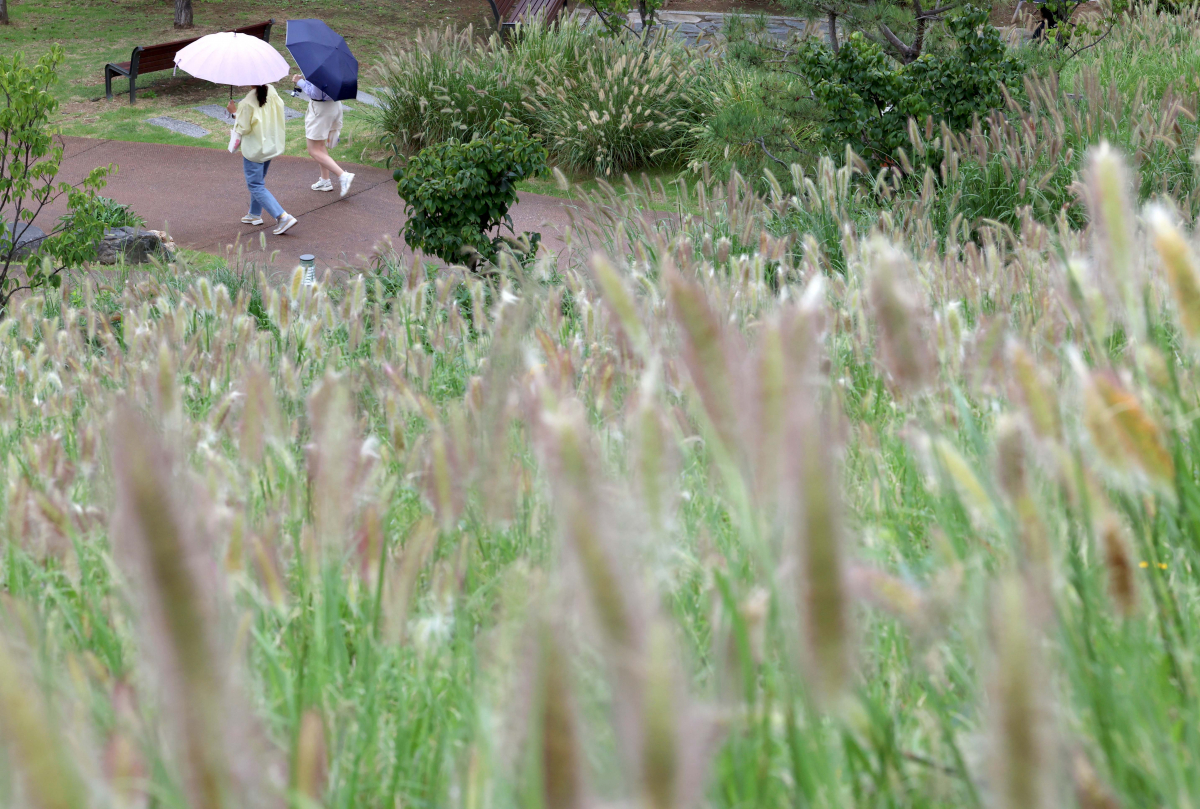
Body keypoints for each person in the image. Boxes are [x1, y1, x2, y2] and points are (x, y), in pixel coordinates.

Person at [227, 84, 297, 236]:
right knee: (259, 181)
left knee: (255, 185)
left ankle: (282, 217)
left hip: (255, 149)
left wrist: (234, 113)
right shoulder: (271, 90)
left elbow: (243, 128)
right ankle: (254, 213)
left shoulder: (247, 102)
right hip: (270, 144)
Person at [292, 72, 355, 198]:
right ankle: (325, 181)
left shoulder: (319, 70)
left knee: (313, 150)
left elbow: (316, 93)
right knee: (320, 146)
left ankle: (343, 175)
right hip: (333, 105)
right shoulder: (334, 67)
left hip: (321, 109)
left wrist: (299, 81)